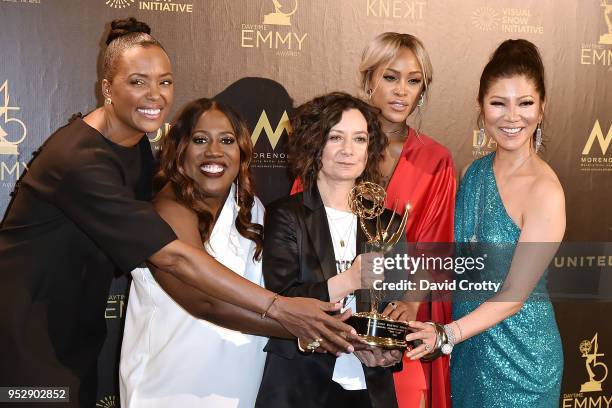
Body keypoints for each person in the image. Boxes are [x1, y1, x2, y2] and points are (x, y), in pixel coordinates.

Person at [0, 18, 354, 406]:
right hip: (22, 339)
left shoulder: (134, 144)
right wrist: (280, 309)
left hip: (70, 333)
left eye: (164, 82)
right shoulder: (78, 160)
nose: (155, 95)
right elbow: (174, 258)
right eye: (137, 82)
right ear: (107, 88)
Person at [292, 32, 456, 408]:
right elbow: (301, 225)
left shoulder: (436, 160)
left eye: (414, 81)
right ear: (368, 81)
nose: (402, 91)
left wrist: (412, 303)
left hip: (398, 317)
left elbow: (434, 244)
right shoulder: (331, 144)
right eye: (390, 77)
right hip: (330, 311)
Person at [406, 39, 565, 407]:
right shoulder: (473, 173)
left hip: (522, 365)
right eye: (499, 103)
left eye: (525, 103)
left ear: (542, 109)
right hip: (467, 356)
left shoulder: (545, 192)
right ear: (480, 108)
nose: (513, 117)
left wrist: (446, 334)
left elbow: (514, 294)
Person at [256, 92, 403, 408]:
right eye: (336, 137)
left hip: (368, 387)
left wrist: (390, 352)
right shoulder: (286, 214)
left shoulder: (388, 223)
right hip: (300, 383)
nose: (349, 150)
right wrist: (348, 280)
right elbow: (280, 298)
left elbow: (389, 310)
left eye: (360, 139)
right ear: (314, 144)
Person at [120, 98, 269, 407]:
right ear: (179, 150)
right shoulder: (163, 211)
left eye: (227, 140)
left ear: (242, 151)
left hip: (240, 390)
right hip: (166, 391)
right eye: (200, 140)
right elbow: (207, 302)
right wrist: (302, 327)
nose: (214, 151)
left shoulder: (251, 209)